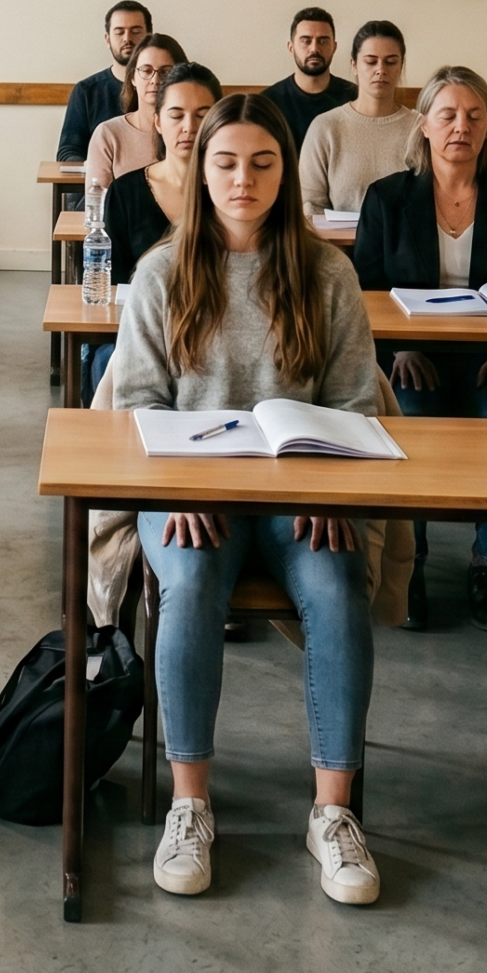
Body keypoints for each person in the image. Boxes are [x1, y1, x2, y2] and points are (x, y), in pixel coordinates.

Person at [110, 92, 382, 906]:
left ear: (285, 171)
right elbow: (134, 402)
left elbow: (356, 402)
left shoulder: (327, 270)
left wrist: (333, 489)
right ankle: (189, 801)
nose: (243, 178)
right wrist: (178, 485)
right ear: (200, 169)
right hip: (189, 491)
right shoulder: (163, 269)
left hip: (301, 494)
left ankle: (332, 816)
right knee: (189, 583)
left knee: (336, 588)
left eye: (263, 163)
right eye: (225, 162)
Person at [351, 66, 487, 633]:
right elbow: (362, 292)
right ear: (424, 126)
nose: (461, 127)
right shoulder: (388, 198)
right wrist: (399, 350)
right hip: (410, 359)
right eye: (448, 115)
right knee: (407, 418)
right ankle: (408, 564)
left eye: (474, 116)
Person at [80, 62, 219, 399]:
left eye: (202, 115)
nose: (189, 127)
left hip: (216, 334)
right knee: (107, 363)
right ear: (157, 121)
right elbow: (113, 286)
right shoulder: (127, 192)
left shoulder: (230, 192)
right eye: (176, 115)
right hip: (139, 330)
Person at [297, 21, 418, 218]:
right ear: (354, 65)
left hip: (407, 247)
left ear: (401, 65)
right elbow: (310, 204)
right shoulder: (326, 127)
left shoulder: (419, 128)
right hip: (338, 246)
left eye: (390, 62)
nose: (380, 70)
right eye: (371, 62)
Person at [84, 33, 185, 190]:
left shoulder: (190, 131)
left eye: (165, 72)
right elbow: (99, 204)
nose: (155, 80)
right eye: (146, 70)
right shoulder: (108, 134)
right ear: (132, 77)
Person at [56, 0, 151, 163]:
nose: (127, 39)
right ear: (107, 39)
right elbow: (68, 151)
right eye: (119, 32)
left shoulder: (166, 89)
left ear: (149, 37)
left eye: (135, 31)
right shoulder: (86, 91)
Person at [260, 7, 356, 152]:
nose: (314, 49)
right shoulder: (268, 103)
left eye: (323, 41)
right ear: (291, 47)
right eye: (306, 41)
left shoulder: (355, 98)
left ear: (334, 47)